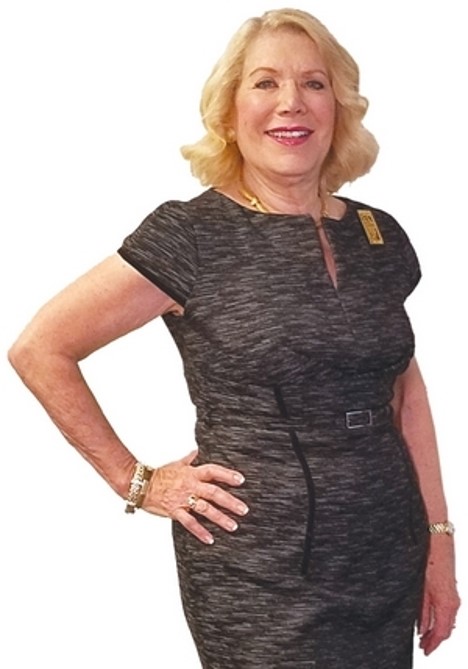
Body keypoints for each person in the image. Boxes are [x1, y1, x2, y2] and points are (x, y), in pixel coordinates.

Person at [8, 7, 460, 669]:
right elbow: (41, 349)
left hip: (386, 552)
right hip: (259, 570)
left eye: (313, 83)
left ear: (338, 105)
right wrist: (136, 481)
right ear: (230, 109)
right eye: (265, 83)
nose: (291, 103)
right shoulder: (191, 236)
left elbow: (403, 389)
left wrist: (440, 539)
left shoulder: (379, 236)